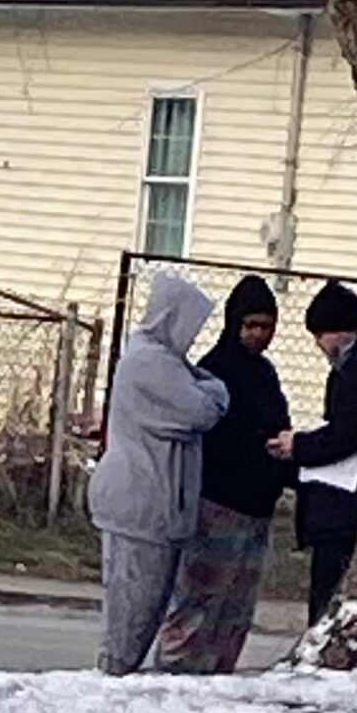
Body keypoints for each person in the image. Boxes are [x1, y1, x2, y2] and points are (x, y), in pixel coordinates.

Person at [89, 271, 229, 676]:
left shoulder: (164, 361)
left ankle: (118, 675)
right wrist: (213, 390)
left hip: (152, 503)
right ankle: (113, 679)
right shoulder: (150, 362)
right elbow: (204, 409)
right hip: (140, 503)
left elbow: (205, 391)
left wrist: (206, 385)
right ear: (173, 316)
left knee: (144, 610)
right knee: (132, 612)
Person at [154, 275, 290, 674]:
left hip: (257, 506)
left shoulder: (265, 374)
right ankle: (177, 668)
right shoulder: (214, 371)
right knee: (200, 597)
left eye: (266, 327)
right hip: (218, 501)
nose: (258, 336)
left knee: (236, 605)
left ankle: (219, 672)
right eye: (251, 326)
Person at [268, 279, 357, 626]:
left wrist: (301, 447)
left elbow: (349, 431)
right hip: (349, 497)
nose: (320, 347)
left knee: (329, 588)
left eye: (320, 336)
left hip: (345, 503)